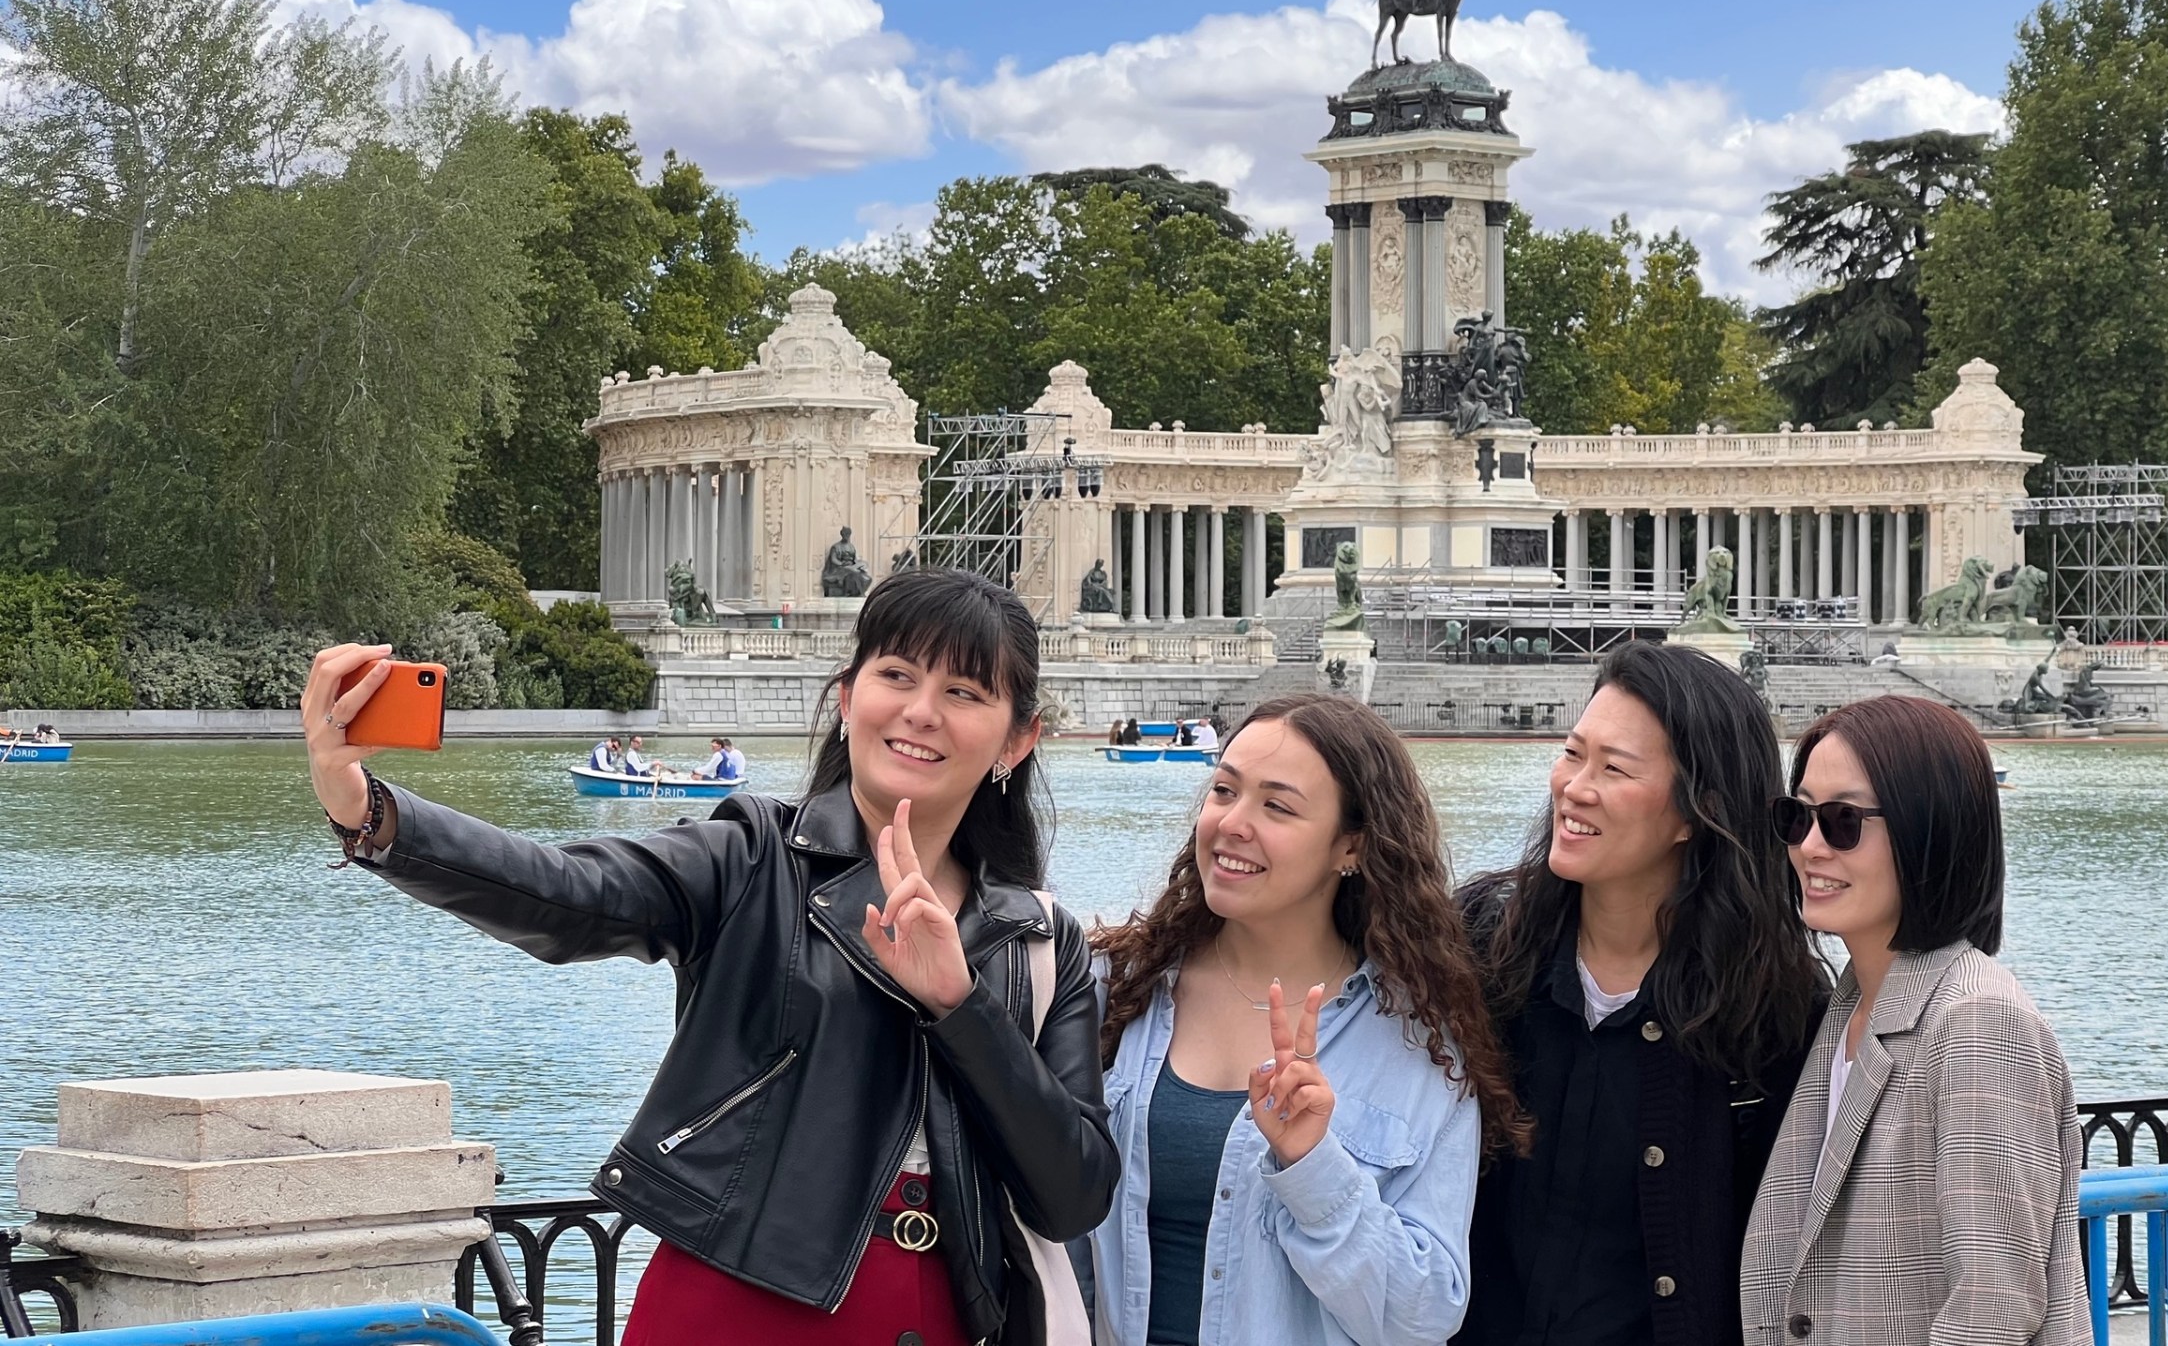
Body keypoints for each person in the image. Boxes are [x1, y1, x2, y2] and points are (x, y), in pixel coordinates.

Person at [300, 566, 1117, 1346]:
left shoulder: (1041, 941)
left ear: (1018, 739)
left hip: (945, 1319)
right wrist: (370, 812)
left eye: (964, 693)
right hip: (737, 1311)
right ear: (846, 697)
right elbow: (564, 893)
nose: (921, 711)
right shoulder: (753, 858)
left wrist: (960, 1005)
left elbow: (1074, 1197)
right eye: (897, 675)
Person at [1088, 694, 1523, 1346]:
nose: (1233, 822)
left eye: (1277, 806)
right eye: (1224, 790)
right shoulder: (1115, 987)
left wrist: (1314, 1166)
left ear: (1350, 846)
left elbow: (1423, 1317)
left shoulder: (1419, 1041)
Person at [1455, 639, 1828, 1346]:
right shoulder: (1480, 945)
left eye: (1614, 769)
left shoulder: (1771, 1009)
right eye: (1572, 753)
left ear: (1697, 810)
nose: (1574, 786)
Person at [1741, 697, 2088, 1345]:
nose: (1810, 847)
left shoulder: (1978, 1021)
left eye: (1843, 821)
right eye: (1797, 817)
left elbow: (1993, 1305)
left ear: (1932, 828)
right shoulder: (1849, 1005)